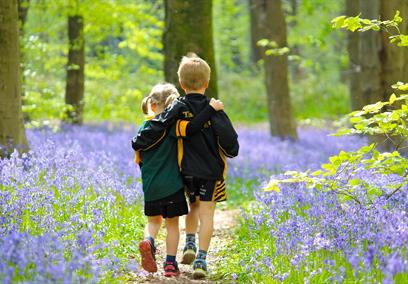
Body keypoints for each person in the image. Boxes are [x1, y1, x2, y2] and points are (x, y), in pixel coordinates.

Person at [132, 55, 239, 278]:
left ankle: (189, 241)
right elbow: (231, 147)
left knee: (193, 206)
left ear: (181, 84)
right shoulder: (216, 110)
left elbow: (172, 128)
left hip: (186, 171)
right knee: (207, 213)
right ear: (207, 83)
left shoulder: (178, 110)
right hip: (211, 173)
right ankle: (201, 258)